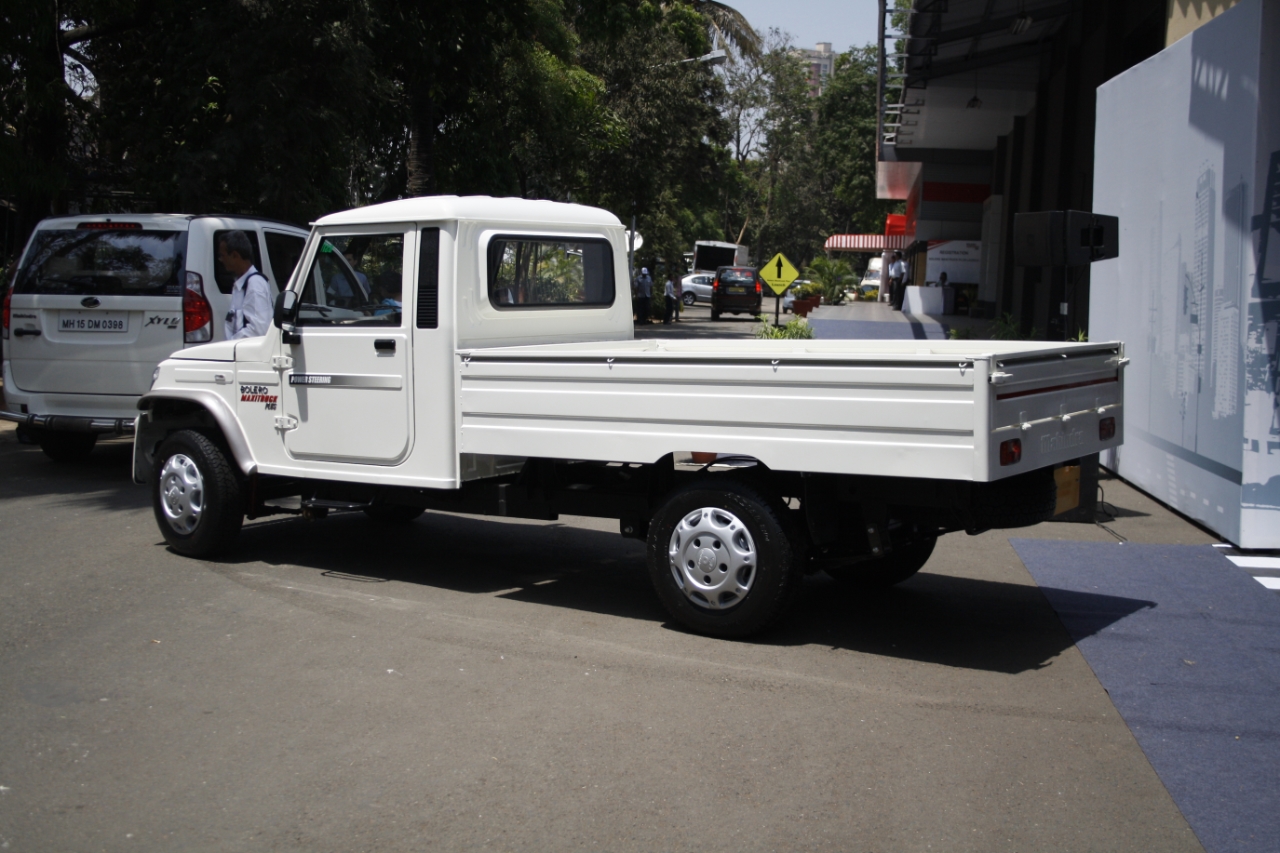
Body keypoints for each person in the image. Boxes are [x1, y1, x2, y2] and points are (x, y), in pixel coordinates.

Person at [218, 230, 272, 339]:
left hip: (246, 353)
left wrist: (232, 344)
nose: (221, 260)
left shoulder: (255, 284)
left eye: (223, 255)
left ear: (235, 255)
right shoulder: (241, 284)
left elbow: (259, 329)